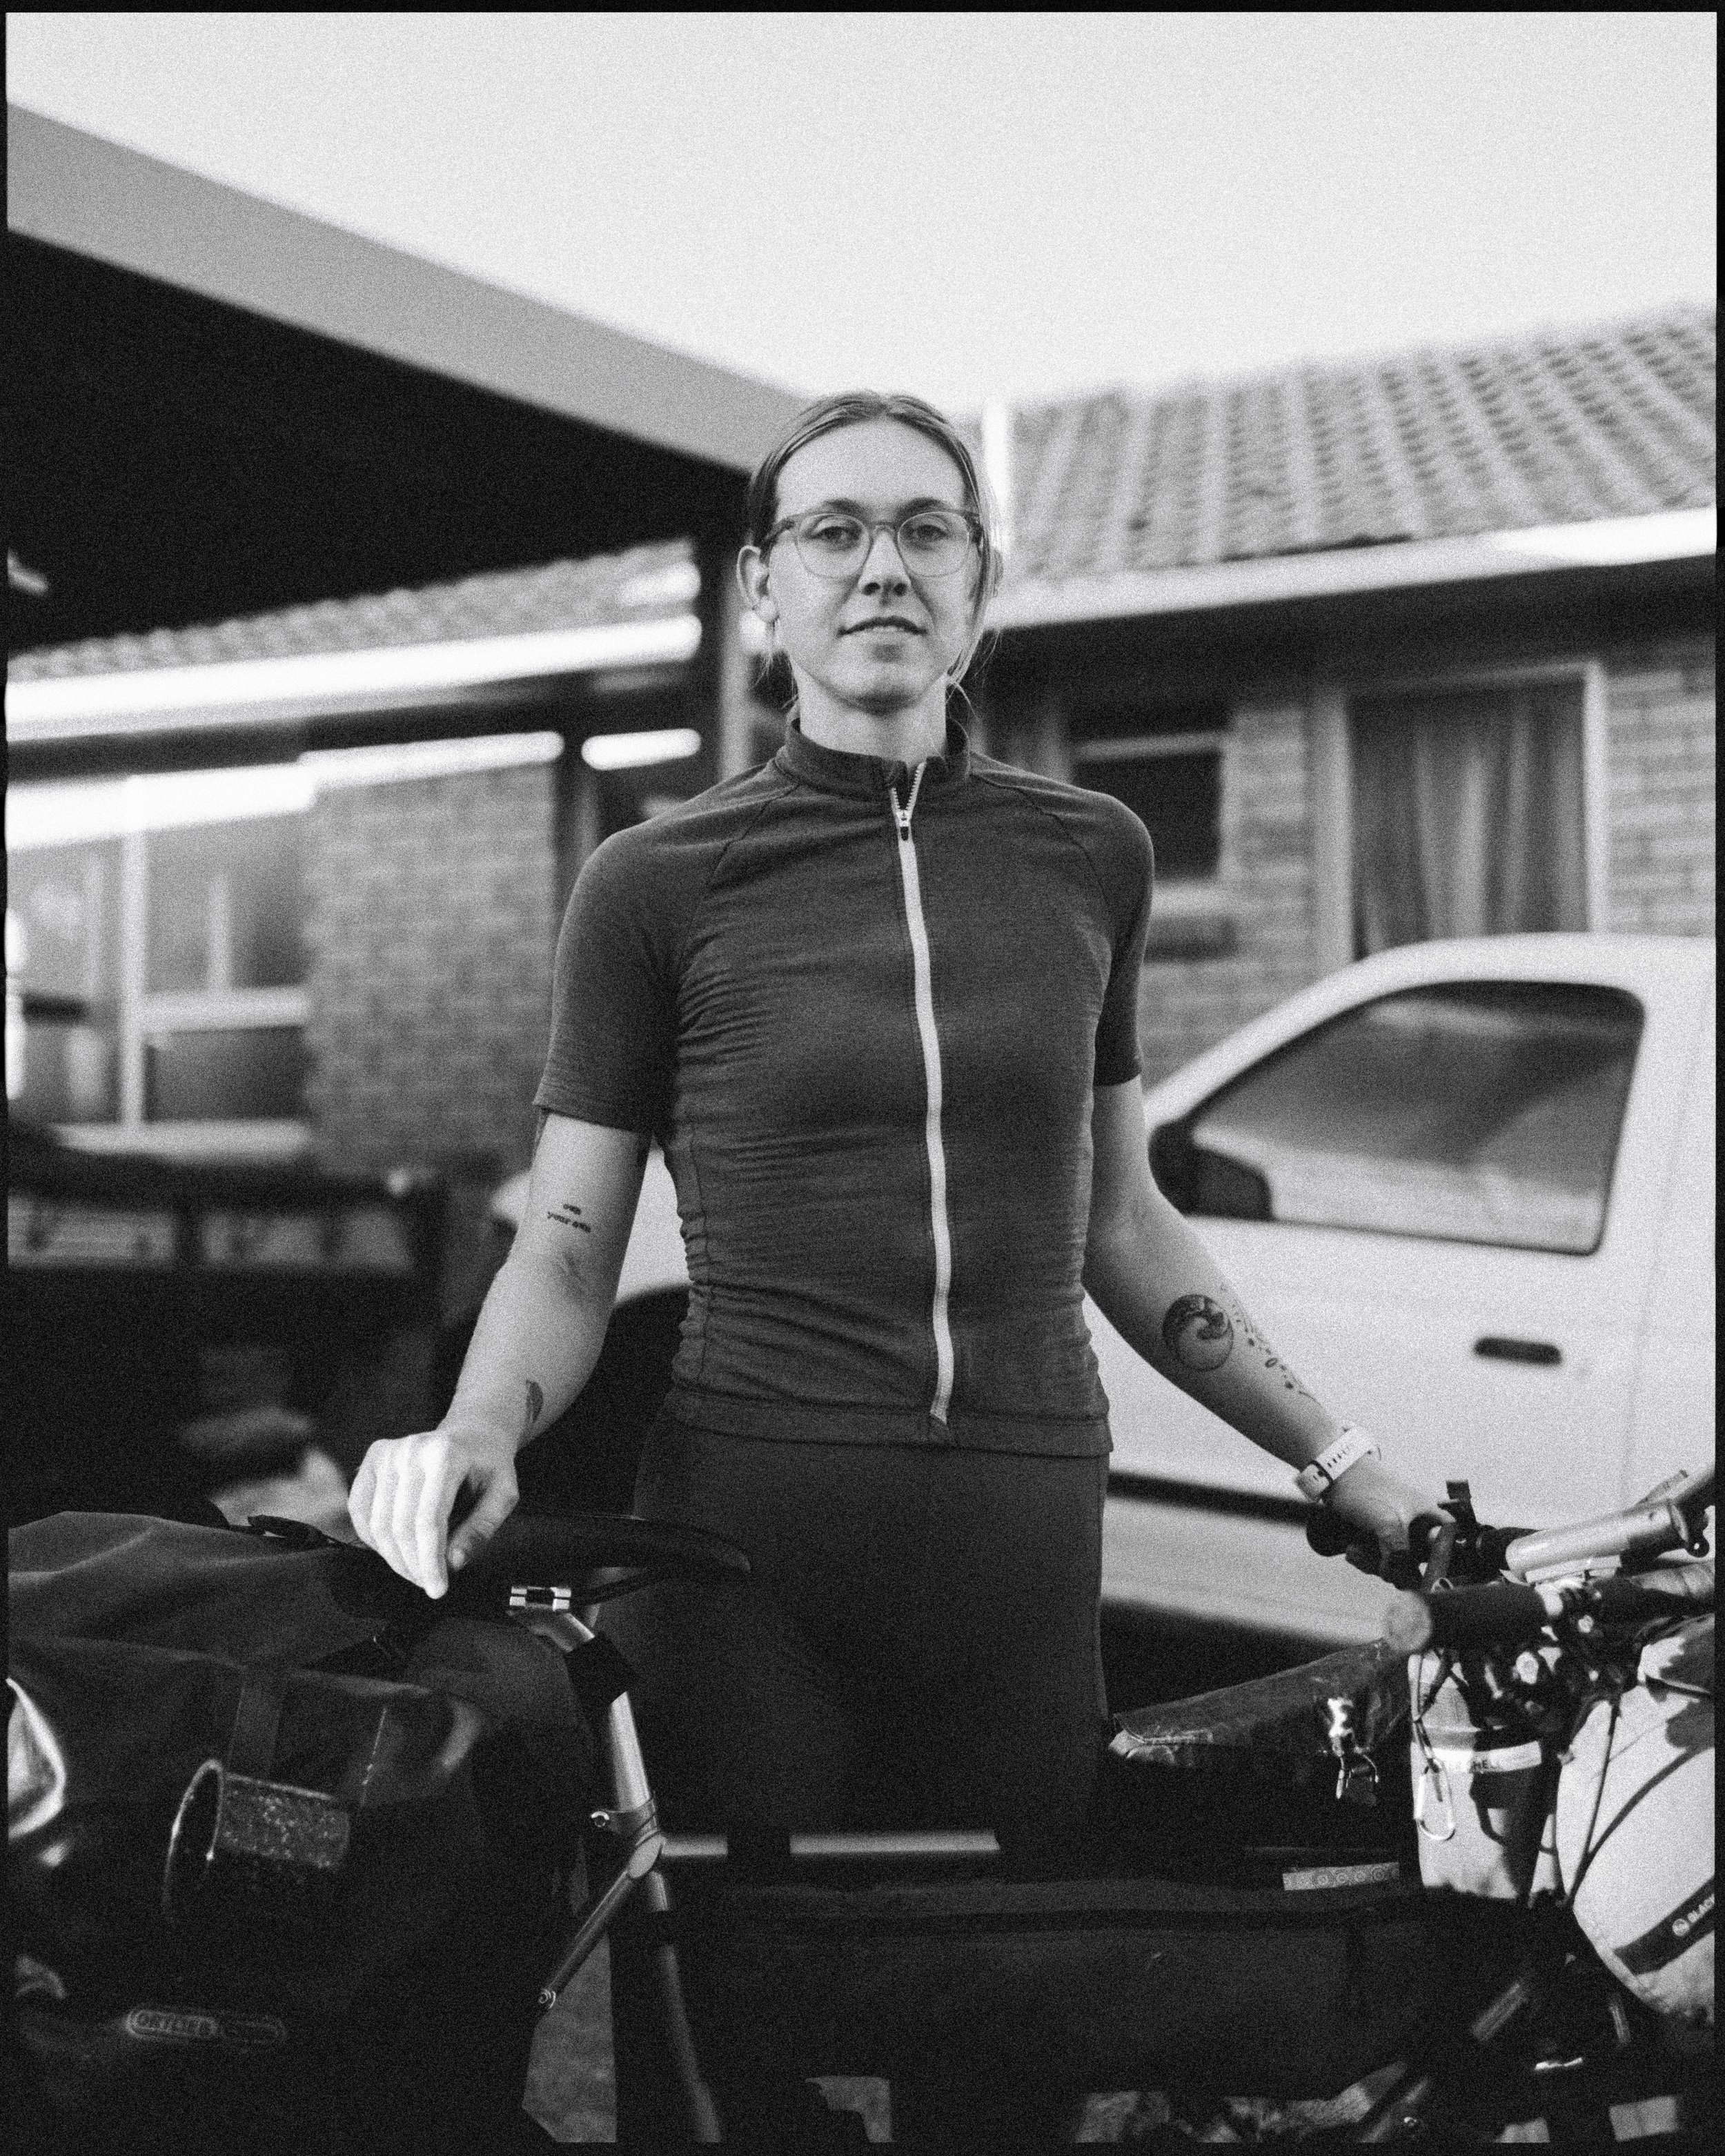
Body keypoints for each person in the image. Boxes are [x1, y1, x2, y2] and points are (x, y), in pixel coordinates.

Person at [347, 389, 1439, 2141]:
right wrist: (480, 1426)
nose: (881, 568)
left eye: (925, 530)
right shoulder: (658, 881)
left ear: (980, 587)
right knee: (739, 2082)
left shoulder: (1090, 856)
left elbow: (1123, 1222)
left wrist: (1349, 1465)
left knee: (1009, 2081)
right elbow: (567, 1237)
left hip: (1015, 1560)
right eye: (833, 531)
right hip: (747, 1558)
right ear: (765, 590)